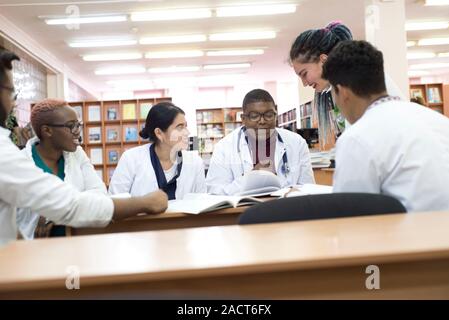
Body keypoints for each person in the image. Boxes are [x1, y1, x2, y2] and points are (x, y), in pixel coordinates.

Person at [0, 47, 168, 247]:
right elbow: (70, 205)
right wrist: (144, 203)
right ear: (47, 131)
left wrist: (55, 210)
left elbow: (95, 194)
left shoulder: (75, 155)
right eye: (11, 92)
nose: (12, 102)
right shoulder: (11, 156)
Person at [322, 40, 449, 212]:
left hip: (417, 237)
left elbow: (349, 217)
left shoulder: (357, 138)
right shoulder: (438, 120)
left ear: (342, 92)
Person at [289, 21, 405, 150]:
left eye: (304, 74)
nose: (304, 83)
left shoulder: (356, 81)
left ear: (323, 60)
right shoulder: (338, 87)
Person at [16, 99, 108, 239]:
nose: (77, 132)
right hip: (31, 251)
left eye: (78, 125)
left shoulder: (77, 155)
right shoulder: (19, 164)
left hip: (76, 244)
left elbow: (100, 194)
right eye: (71, 126)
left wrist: (54, 214)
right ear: (47, 130)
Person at [206, 89, 314, 195]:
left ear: (275, 115)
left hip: (286, 209)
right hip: (242, 211)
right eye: (254, 116)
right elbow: (215, 192)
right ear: (243, 118)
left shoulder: (297, 143)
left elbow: (308, 188)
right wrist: (252, 177)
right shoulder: (224, 147)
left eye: (269, 115)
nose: (262, 121)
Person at [109, 102, 206, 199]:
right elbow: (116, 202)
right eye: (180, 127)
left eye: (185, 126)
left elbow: (202, 203)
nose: (187, 132)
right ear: (159, 133)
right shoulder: (131, 159)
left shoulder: (195, 162)